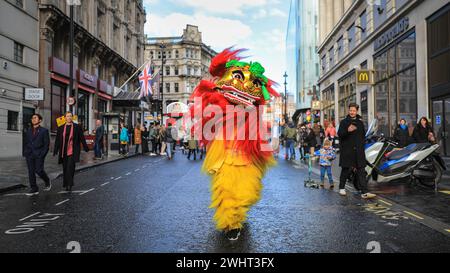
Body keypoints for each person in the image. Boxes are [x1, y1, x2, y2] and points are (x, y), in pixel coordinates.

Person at [337, 103, 376, 199]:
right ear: (348, 110)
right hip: (347, 150)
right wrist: (347, 131)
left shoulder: (360, 122)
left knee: (361, 171)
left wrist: (363, 147)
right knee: (345, 169)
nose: (352, 112)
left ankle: (364, 192)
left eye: (354, 110)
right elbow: (340, 134)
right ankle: (341, 188)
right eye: (350, 110)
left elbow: (363, 136)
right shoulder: (344, 122)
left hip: (358, 151)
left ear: (356, 111)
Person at [54, 112, 89, 192]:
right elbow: (58, 139)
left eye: (70, 116)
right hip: (63, 151)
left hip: (73, 150)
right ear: (65, 118)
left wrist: (85, 147)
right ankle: (66, 183)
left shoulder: (77, 127)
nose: (69, 117)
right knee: (65, 168)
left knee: (70, 167)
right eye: (67, 116)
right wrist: (56, 149)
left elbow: (81, 137)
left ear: (72, 118)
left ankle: (69, 185)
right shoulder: (61, 127)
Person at [24, 114, 51, 196]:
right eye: (32, 118)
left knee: (39, 170)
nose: (33, 119)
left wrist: (42, 154)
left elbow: (46, 144)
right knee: (31, 171)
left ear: (40, 120)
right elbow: (26, 142)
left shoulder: (44, 131)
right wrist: (26, 152)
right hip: (29, 154)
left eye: (35, 118)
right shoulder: (28, 130)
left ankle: (47, 180)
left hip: (39, 154)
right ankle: (34, 188)